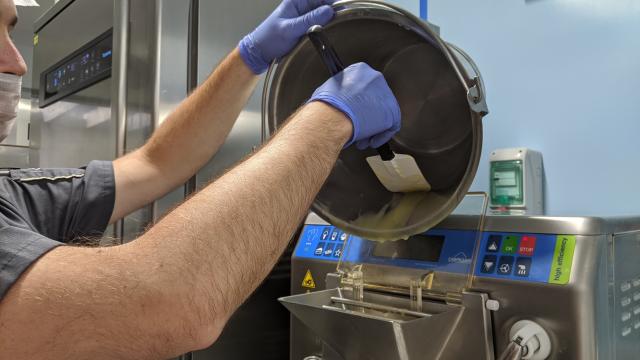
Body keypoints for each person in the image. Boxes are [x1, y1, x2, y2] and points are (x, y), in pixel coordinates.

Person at [0, 0, 401, 358]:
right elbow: (160, 304)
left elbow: (156, 163)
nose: (17, 63)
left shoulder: (10, 195)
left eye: (10, 31)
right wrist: (332, 118)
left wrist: (249, 59)